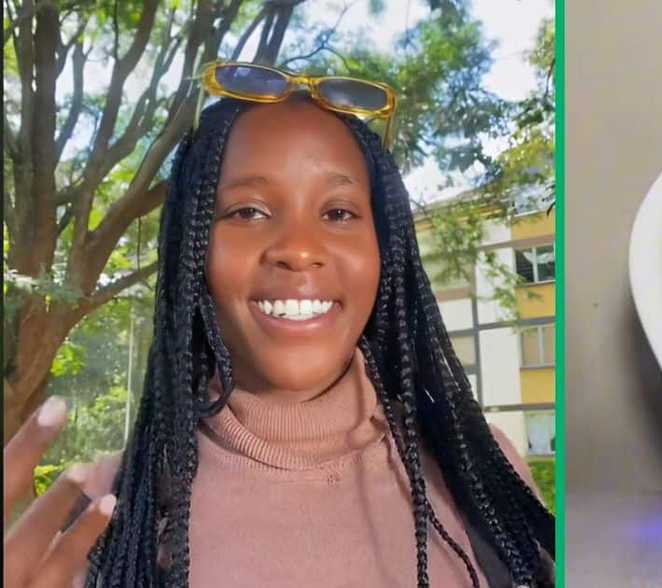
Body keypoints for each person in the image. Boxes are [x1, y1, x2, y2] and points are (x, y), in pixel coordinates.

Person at [3, 64, 554, 588]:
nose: (298, 250)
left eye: (339, 213)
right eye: (248, 212)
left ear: (385, 250)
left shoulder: (483, 475)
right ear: (192, 250)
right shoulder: (102, 516)